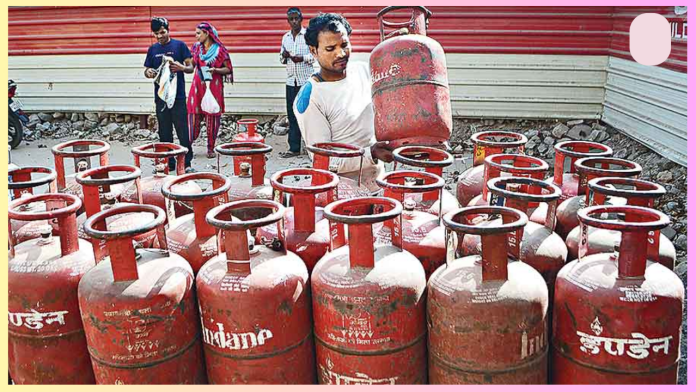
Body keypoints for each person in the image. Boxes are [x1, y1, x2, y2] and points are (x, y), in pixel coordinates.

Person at [294, 13, 392, 193]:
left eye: (344, 45)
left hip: (379, 184)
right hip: (340, 195)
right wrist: (371, 153)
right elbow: (323, 160)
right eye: (330, 48)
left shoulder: (364, 71)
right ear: (313, 51)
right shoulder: (311, 96)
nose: (340, 53)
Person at [143, 17, 195, 173]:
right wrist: (149, 72)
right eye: (156, 34)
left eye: (162, 32)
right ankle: (168, 163)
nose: (160, 36)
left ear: (168, 30)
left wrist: (181, 67)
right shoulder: (152, 50)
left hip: (177, 97)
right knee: (164, 132)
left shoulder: (179, 46)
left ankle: (186, 163)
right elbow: (146, 70)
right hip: (161, 98)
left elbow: (191, 67)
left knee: (182, 131)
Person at [186, 22, 233, 159]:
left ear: (207, 34)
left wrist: (216, 70)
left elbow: (228, 68)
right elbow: (191, 65)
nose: (196, 36)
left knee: (212, 116)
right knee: (192, 116)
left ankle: (210, 148)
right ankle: (188, 147)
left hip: (213, 87)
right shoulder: (196, 48)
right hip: (197, 88)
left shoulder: (220, 50)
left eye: (198, 33)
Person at [279, 7, 314, 158]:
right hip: (291, 81)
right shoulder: (286, 37)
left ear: (301, 19)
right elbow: (280, 59)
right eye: (291, 19)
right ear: (288, 21)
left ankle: (311, 147)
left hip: (305, 81)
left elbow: (315, 55)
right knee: (292, 115)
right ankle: (294, 148)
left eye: (296, 18)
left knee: (307, 114)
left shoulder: (308, 35)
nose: (294, 21)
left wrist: (302, 58)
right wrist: (285, 56)